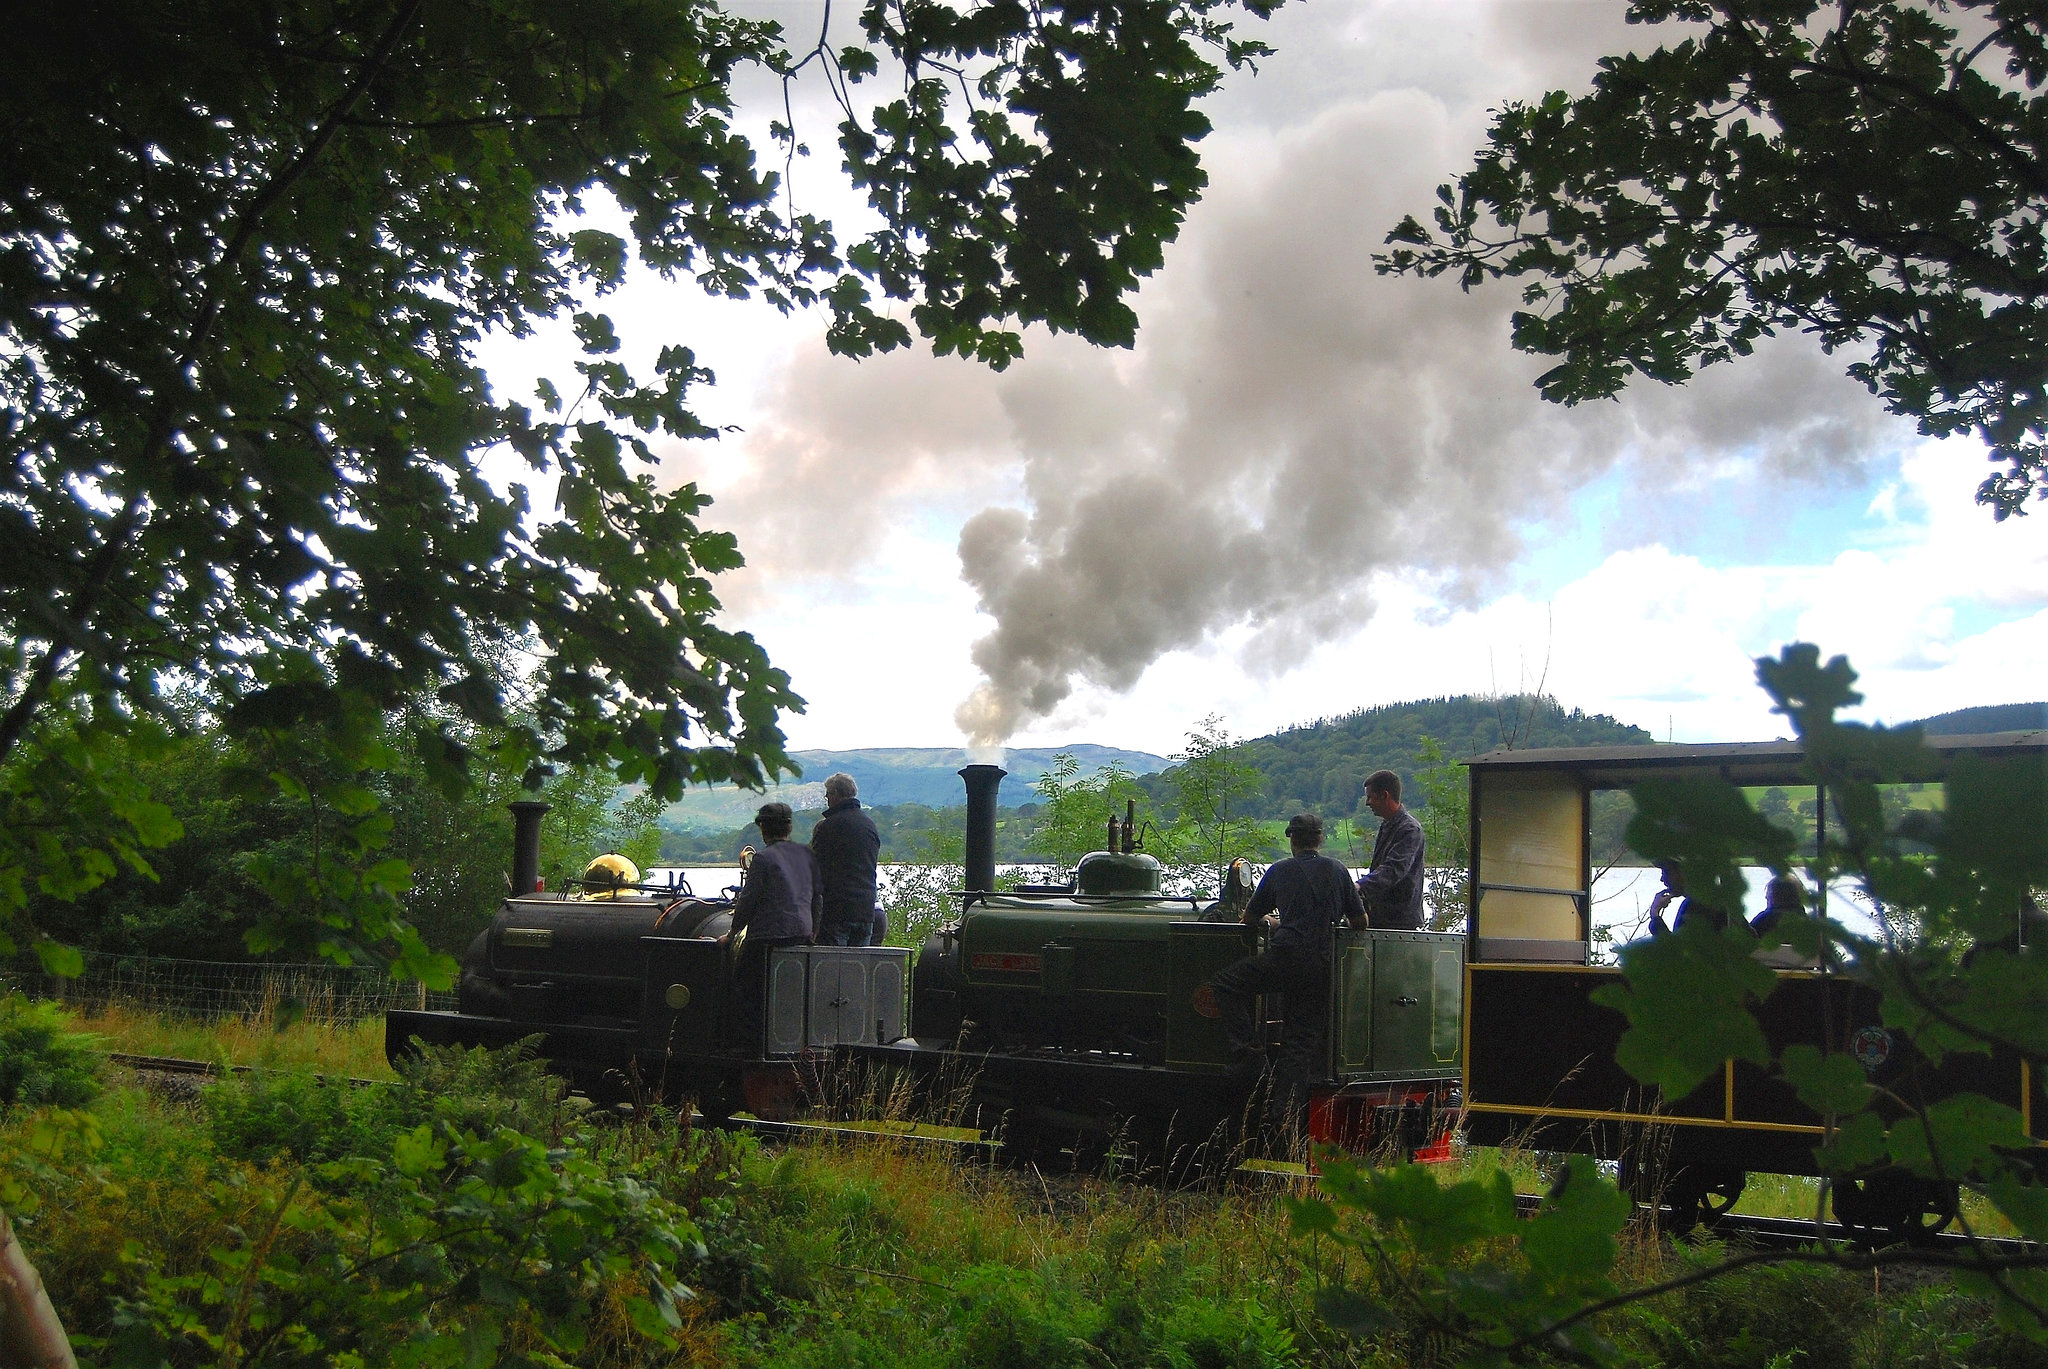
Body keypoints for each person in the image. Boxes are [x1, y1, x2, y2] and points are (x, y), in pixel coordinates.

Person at [1209, 813, 1367, 1136]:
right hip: (1321, 966)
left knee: (1225, 985)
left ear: (1292, 839)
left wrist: (1279, 924)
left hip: (1284, 958)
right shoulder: (1338, 871)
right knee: (1298, 1045)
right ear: (1320, 839)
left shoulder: (1279, 870)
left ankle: (1249, 1051)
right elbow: (1360, 921)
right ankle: (1279, 1121)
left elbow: (1249, 920)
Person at [723, 802, 822, 1050]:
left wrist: (731, 934)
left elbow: (748, 900)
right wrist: (813, 931)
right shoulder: (806, 855)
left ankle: (749, 1047)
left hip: (769, 938)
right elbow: (818, 897)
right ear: (789, 827)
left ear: (763, 829)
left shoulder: (763, 858)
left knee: (743, 988)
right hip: (801, 934)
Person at [811, 772, 882, 946]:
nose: (826, 799)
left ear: (836, 794)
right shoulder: (869, 825)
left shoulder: (828, 827)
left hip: (836, 911)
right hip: (866, 910)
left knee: (830, 968)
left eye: (828, 794)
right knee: (857, 968)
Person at [1356, 770, 1425, 929]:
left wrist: (1360, 886)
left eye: (1370, 797)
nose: (1367, 803)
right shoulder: (1387, 825)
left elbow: (1394, 869)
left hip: (1400, 921)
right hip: (1382, 917)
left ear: (1385, 795)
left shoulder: (1410, 829)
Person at [1647, 863, 1727, 935]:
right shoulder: (1710, 900)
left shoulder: (1695, 906)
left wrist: (1655, 913)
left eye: (1667, 873)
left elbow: (1675, 949)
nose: (1662, 879)